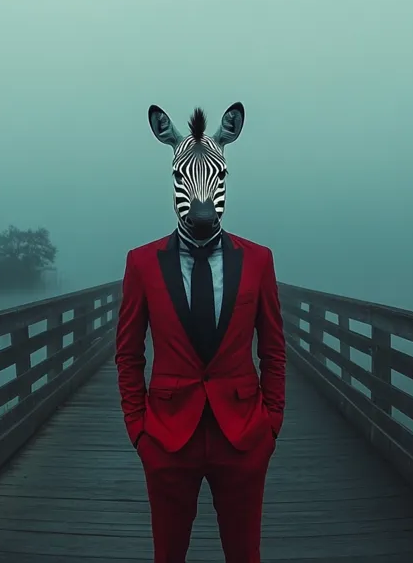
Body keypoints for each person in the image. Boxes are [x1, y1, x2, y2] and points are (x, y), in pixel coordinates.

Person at [115, 102, 286, 563]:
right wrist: (139, 431)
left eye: (215, 179)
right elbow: (128, 353)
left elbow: (273, 349)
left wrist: (271, 424)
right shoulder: (141, 264)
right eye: (187, 180)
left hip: (244, 438)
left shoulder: (259, 261)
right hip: (167, 440)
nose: (203, 200)